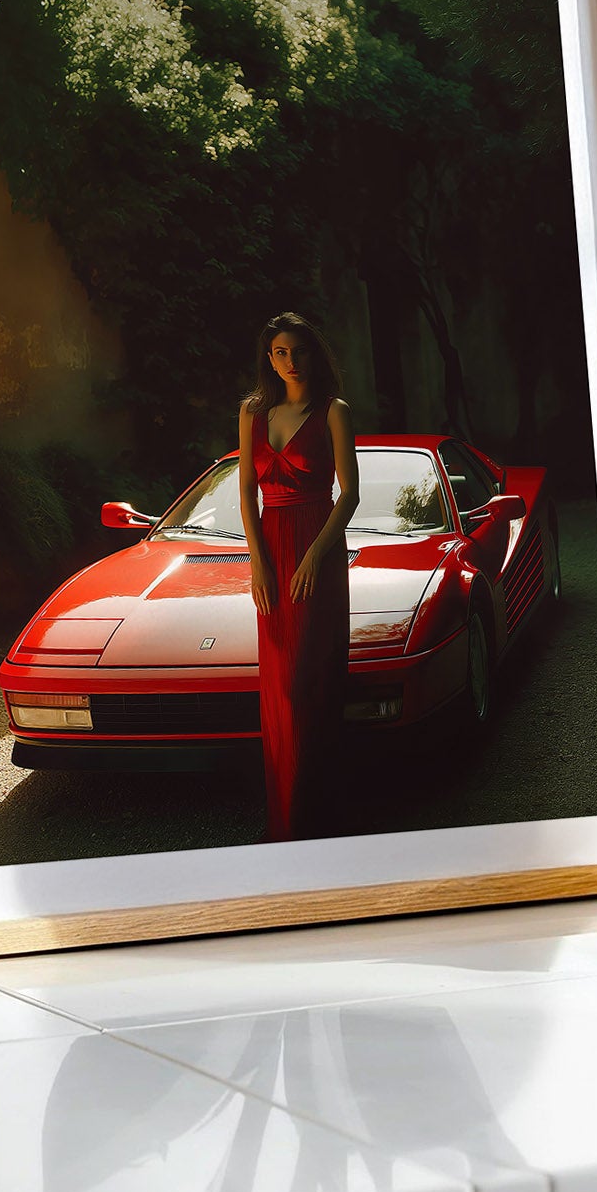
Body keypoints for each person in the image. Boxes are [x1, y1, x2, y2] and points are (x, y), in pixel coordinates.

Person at [237, 312, 357, 842]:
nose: (290, 361)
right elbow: (246, 491)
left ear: (313, 354)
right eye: (280, 352)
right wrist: (258, 561)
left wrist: (313, 557)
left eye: (298, 351)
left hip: (318, 551)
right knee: (280, 687)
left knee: (311, 683)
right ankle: (286, 818)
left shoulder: (334, 411)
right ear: (269, 359)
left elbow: (349, 493)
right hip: (271, 551)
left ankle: (321, 815)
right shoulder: (252, 412)